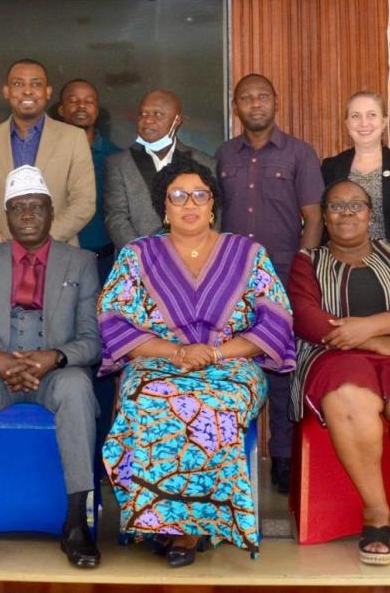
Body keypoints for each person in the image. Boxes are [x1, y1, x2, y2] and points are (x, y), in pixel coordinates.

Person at [99, 157, 294, 566]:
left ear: (212, 205)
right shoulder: (137, 255)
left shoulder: (248, 253)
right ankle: (157, 519)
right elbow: (114, 320)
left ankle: (188, 529)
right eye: (178, 195)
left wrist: (217, 352)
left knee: (212, 405)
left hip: (231, 364)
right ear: (164, 207)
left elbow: (275, 322)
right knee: (149, 399)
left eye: (200, 195)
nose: (190, 203)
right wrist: (176, 352)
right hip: (158, 362)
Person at [0, 165, 101, 569]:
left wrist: (54, 357)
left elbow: (93, 337)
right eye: (18, 208)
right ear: (6, 216)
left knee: (78, 389)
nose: (28, 214)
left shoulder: (81, 263)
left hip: (55, 371)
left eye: (37, 207)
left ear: (51, 212)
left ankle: (75, 522)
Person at [286, 179, 390, 565]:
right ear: (324, 217)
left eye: (355, 205)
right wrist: (371, 340)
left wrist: (373, 325)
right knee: (351, 398)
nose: (346, 213)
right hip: (333, 354)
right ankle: (375, 511)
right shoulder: (308, 261)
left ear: (370, 215)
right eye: (337, 206)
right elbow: (305, 316)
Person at [216, 73, 324, 493]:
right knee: (230, 361)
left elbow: (313, 217)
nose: (255, 104)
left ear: (275, 101)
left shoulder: (299, 153)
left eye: (262, 96)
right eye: (246, 98)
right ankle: (226, 458)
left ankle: (282, 457)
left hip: (280, 273)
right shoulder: (224, 154)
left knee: (280, 367)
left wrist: (300, 270)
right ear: (236, 106)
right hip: (230, 277)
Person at [0, 59, 96, 250]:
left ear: (48, 92)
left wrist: (43, 244)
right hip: (1, 259)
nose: (27, 91)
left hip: (59, 255)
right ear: (6, 91)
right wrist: (5, 250)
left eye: (36, 84)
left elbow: (84, 203)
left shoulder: (74, 138)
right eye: (18, 84)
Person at [321, 91, 390, 265]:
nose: (364, 123)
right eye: (355, 116)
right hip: (341, 268)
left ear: (384, 121)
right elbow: (323, 225)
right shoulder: (330, 168)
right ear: (346, 123)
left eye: (372, 115)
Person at [104, 89, 216, 249]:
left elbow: (213, 215)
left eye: (158, 114)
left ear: (177, 121)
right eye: (143, 114)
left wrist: (196, 252)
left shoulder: (204, 163)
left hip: (192, 260)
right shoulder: (118, 163)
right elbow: (116, 217)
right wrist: (142, 254)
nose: (148, 120)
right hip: (139, 261)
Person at [57, 79, 119, 281]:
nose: (81, 106)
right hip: (57, 261)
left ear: (97, 110)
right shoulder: (46, 156)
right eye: (73, 100)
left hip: (104, 264)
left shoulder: (116, 158)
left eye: (89, 101)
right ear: (61, 110)